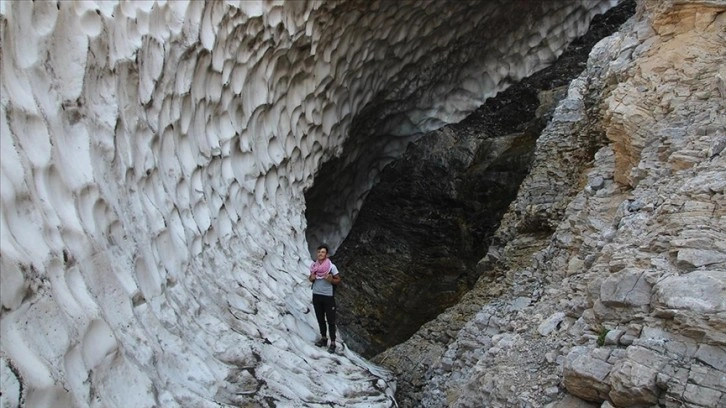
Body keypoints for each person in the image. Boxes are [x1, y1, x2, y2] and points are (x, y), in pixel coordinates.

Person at [308, 244, 341, 353]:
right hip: (317, 295)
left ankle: (333, 343)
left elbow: (338, 280)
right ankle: (324, 338)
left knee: (331, 320)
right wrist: (311, 278)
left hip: (328, 296)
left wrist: (331, 280)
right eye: (319, 252)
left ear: (326, 254)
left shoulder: (331, 266)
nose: (320, 254)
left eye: (322, 252)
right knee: (320, 318)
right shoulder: (314, 266)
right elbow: (311, 278)